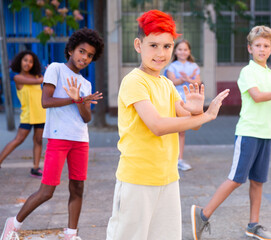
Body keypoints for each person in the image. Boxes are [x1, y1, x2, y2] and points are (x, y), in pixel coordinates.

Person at [106, 10, 229, 240]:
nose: (160, 53)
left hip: (168, 177)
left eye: (167, 46)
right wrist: (206, 115)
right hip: (137, 179)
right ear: (138, 44)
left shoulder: (166, 84)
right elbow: (158, 125)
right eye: (153, 45)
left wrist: (196, 109)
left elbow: (192, 125)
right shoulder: (134, 80)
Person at [190, 25, 271, 240]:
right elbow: (257, 96)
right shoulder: (247, 71)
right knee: (236, 179)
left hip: (266, 134)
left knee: (258, 181)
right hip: (248, 132)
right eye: (258, 45)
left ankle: (253, 225)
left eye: (266, 45)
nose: (262, 49)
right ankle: (202, 214)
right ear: (250, 48)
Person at [1, 28, 104, 240]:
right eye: (82, 51)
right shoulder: (55, 69)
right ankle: (14, 223)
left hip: (80, 139)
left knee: (77, 187)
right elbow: (46, 102)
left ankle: (71, 233)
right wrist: (74, 99)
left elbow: (86, 118)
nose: (84, 57)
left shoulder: (86, 84)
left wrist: (82, 102)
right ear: (70, 50)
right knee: (47, 191)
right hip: (58, 137)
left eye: (90, 55)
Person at [0, 51, 45, 177]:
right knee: (18, 140)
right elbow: (38, 82)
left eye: (31, 61)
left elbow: (41, 84)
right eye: (25, 60)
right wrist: (46, 76)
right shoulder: (18, 78)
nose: (28, 63)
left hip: (41, 114)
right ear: (20, 61)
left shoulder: (37, 77)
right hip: (28, 115)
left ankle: (35, 168)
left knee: (38, 141)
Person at [166, 39, 201, 171]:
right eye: (180, 49)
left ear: (189, 51)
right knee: (172, 130)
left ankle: (179, 159)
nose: (182, 52)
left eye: (185, 49)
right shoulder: (171, 66)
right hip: (175, 101)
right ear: (175, 51)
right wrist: (186, 79)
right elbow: (172, 81)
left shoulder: (194, 66)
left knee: (182, 131)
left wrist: (187, 79)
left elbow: (197, 82)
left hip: (188, 103)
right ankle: (171, 158)